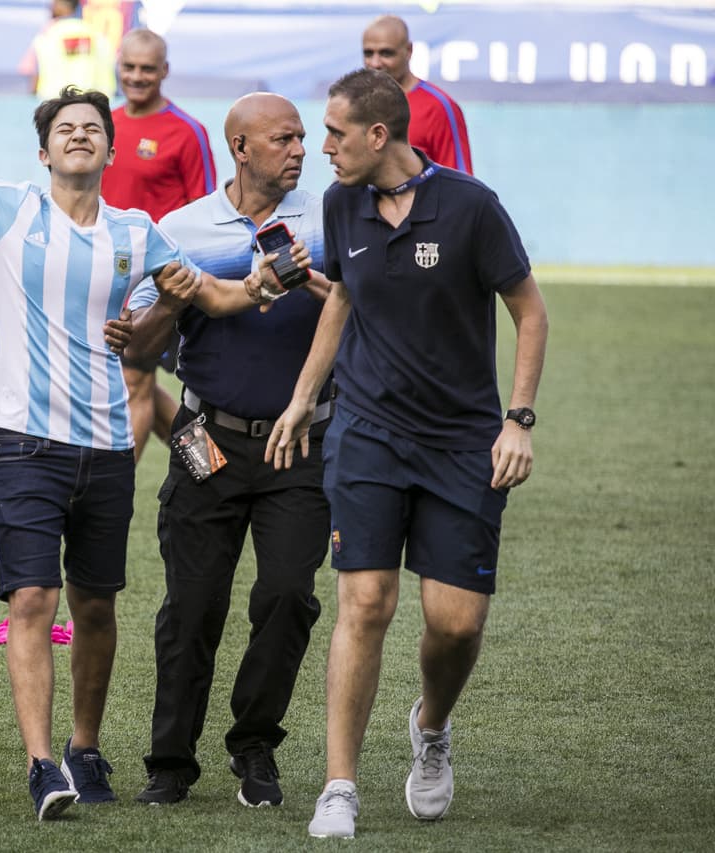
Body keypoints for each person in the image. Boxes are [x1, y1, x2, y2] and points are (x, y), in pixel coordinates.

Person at [0, 23, 285, 821]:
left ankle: (83, 743)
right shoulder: (5, 209)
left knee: (97, 605)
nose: (79, 136)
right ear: (45, 153)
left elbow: (209, 297)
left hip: (110, 444)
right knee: (31, 599)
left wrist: (262, 286)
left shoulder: (139, 234)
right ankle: (43, 764)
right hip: (25, 443)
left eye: (93, 130)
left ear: (110, 151)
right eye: (65, 129)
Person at [264, 68, 548, 839]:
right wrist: (301, 397)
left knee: (453, 623)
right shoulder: (340, 202)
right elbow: (346, 298)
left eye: (334, 133)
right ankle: (340, 785)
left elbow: (529, 311)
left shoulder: (472, 207)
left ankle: (430, 724)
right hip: (367, 433)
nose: (319, 148)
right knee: (365, 602)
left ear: (379, 135)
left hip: (462, 440)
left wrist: (517, 419)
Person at [124, 92, 333, 809]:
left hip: (302, 446)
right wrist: (177, 299)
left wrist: (307, 279)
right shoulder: (180, 229)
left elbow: (360, 311)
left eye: (303, 137)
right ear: (239, 147)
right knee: (192, 605)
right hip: (204, 439)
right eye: (284, 138)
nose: (300, 149)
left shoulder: (330, 218)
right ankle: (170, 762)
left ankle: (254, 746)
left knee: (286, 596)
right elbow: (142, 351)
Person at [101, 28, 217, 463]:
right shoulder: (104, 124)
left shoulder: (188, 132)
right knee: (134, 379)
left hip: (157, 282)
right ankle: (210, 468)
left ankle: (110, 498)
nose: (137, 76)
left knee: (133, 380)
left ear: (164, 70)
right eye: (129, 66)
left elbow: (206, 215)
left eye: (147, 68)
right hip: (106, 276)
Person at [362, 15, 472, 174]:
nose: (375, 63)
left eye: (386, 53)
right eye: (368, 53)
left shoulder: (438, 107)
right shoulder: (358, 105)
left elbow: (461, 184)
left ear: (408, 50)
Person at [19, 0, 117, 99]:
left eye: (54, 3)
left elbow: (35, 74)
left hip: (53, 104)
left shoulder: (47, 36)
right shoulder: (98, 35)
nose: (50, 7)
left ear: (62, 5)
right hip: (96, 103)